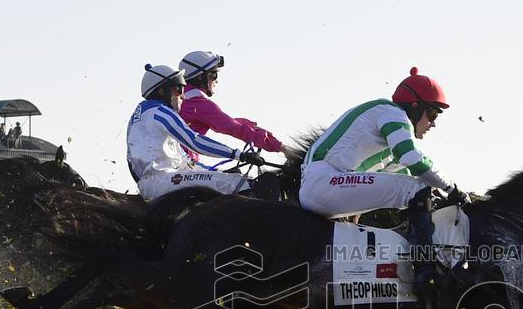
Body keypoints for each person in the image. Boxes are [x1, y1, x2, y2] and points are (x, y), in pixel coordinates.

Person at [299, 67, 472, 295]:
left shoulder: (386, 127)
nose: (433, 124)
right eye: (432, 115)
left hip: (325, 183)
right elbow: (412, 158)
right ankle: (425, 269)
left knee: (419, 189)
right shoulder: (393, 114)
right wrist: (452, 188)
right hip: (324, 181)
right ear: (414, 106)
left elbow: (404, 174)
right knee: (418, 188)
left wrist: (440, 193)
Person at [127, 64, 264, 202]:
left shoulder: (139, 115)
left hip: (154, 182)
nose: (183, 95)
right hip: (162, 181)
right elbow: (195, 141)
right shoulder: (160, 112)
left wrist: (216, 172)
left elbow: (184, 163)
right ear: (162, 91)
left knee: (227, 177)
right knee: (238, 183)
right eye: (178, 89)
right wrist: (240, 155)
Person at [178, 50, 292, 163]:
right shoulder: (199, 103)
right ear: (200, 78)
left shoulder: (182, 98)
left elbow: (230, 122)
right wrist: (281, 147)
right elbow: (235, 128)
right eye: (214, 75)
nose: (216, 81)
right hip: (182, 165)